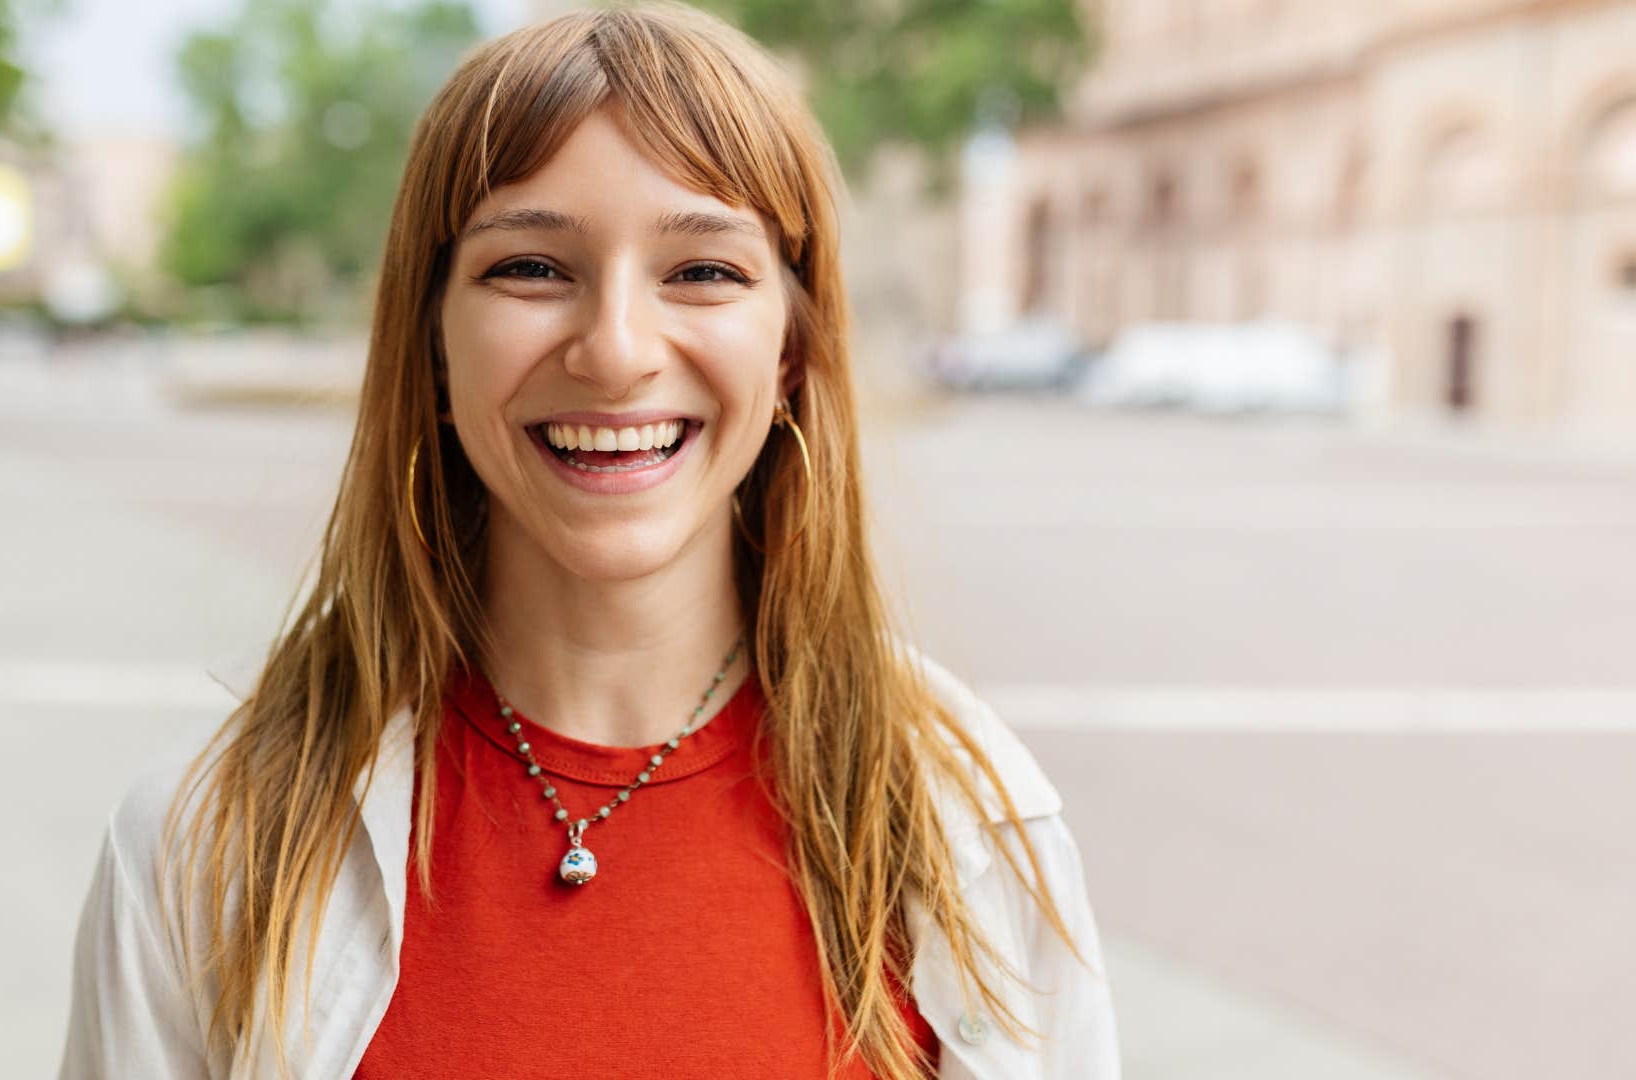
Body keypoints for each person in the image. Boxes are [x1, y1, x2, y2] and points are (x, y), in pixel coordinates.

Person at [57, 4, 1119, 1078]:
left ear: (794, 347)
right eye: (531, 267)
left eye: (703, 271)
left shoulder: (974, 826)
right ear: (430, 339)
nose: (615, 352)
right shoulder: (204, 852)